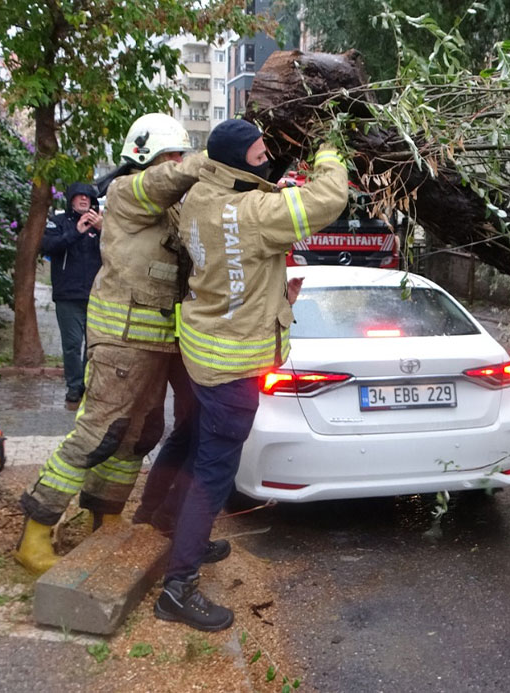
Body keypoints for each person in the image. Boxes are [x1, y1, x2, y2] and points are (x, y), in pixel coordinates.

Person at [153, 119, 351, 631]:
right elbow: (327, 200)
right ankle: (178, 586)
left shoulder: (197, 196)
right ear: (237, 162)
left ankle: (166, 522)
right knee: (213, 478)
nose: (266, 161)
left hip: (202, 352)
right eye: (260, 154)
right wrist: (330, 148)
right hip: (235, 368)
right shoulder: (257, 213)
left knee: (193, 444)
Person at [15, 113, 208, 575]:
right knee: (98, 432)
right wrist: (213, 157)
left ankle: (106, 517)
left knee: (139, 435)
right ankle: (35, 531)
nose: (178, 164)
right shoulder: (128, 192)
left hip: (158, 341)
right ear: (146, 159)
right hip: (122, 338)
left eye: (181, 156)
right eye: (171, 156)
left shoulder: (173, 206)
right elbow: (173, 178)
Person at [39, 182, 104, 410]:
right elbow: (47, 246)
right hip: (68, 295)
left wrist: (103, 229)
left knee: (93, 345)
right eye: (79, 197)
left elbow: (119, 250)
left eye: (87, 198)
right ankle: (74, 387)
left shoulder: (101, 224)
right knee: (72, 344)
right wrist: (75, 232)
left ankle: (88, 385)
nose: (84, 201)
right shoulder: (58, 222)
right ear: (70, 201)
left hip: (96, 295)